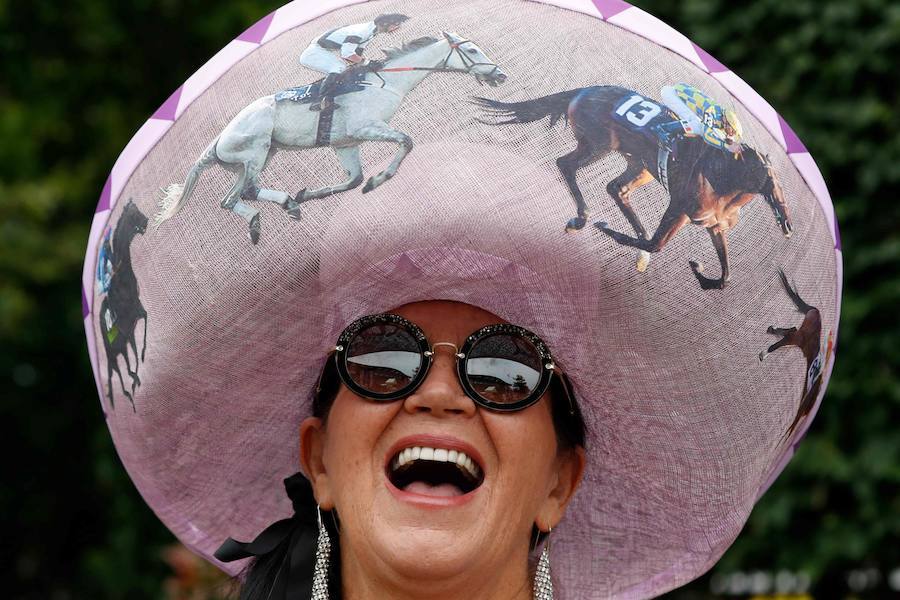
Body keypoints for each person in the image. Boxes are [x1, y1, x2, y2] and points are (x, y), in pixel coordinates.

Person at [85, 1, 841, 599]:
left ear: (559, 482)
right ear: (317, 459)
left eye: (508, 371)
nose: (440, 394)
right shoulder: (345, 68)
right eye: (381, 359)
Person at [298, 13, 410, 111]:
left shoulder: (371, 32)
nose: (397, 28)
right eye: (396, 25)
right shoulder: (361, 32)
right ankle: (319, 101)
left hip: (322, 50)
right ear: (385, 23)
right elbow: (347, 54)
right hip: (313, 53)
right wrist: (367, 63)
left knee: (343, 68)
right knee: (338, 68)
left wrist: (365, 64)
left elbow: (356, 53)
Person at [653, 82, 744, 155]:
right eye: (733, 132)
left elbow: (720, 133)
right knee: (698, 125)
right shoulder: (713, 112)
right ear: (727, 123)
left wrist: (732, 142)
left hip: (677, 93)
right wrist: (726, 146)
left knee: (700, 124)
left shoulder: (720, 115)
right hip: (671, 95)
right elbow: (707, 135)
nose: (731, 134)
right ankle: (662, 129)